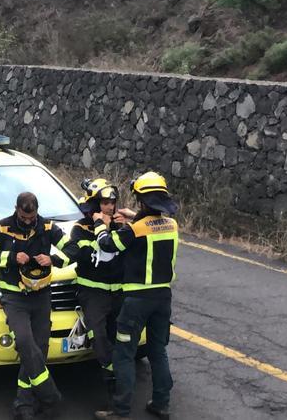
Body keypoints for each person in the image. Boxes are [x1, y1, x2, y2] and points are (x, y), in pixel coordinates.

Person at [0, 191, 73, 420]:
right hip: (14, 297)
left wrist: (54, 260)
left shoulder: (48, 227)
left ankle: (24, 405)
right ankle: (50, 395)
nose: (28, 221)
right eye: (24, 217)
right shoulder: (3, 227)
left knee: (38, 350)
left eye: (32, 218)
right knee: (24, 342)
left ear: (37, 211)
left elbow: (73, 249)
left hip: (41, 296)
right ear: (17, 210)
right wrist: (10, 257)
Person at [94, 171, 179, 420]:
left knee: (124, 354)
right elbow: (152, 225)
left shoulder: (135, 230)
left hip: (136, 302)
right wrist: (134, 218)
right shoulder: (172, 226)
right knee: (157, 351)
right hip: (163, 299)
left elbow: (107, 244)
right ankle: (161, 403)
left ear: (142, 201)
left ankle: (120, 410)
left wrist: (101, 224)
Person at [70, 178, 128, 385]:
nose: (110, 207)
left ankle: (121, 376)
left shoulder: (121, 226)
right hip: (93, 293)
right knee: (99, 336)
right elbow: (86, 254)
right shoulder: (80, 228)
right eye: (104, 203)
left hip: (119, 292)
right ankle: (111, 373)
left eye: (112, 202)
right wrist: (99, 227)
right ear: (95, 205)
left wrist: (124, 229)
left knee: (121, 336)